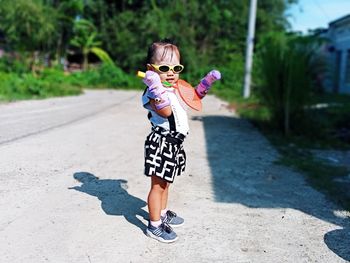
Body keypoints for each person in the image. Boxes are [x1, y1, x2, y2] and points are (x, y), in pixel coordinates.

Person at [141, 39, 220, 243]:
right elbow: (166, 111)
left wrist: (206, 83)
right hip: (161, 142)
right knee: (157, 186)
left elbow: (193, 97)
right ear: (151, 69)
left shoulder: (175, 87)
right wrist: (156, 86)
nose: (171, 72)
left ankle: (163, 213)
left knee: (166, 183)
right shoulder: (152, 91)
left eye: (176, 68)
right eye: (164, 67)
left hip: (174, 143)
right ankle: (154, 225)